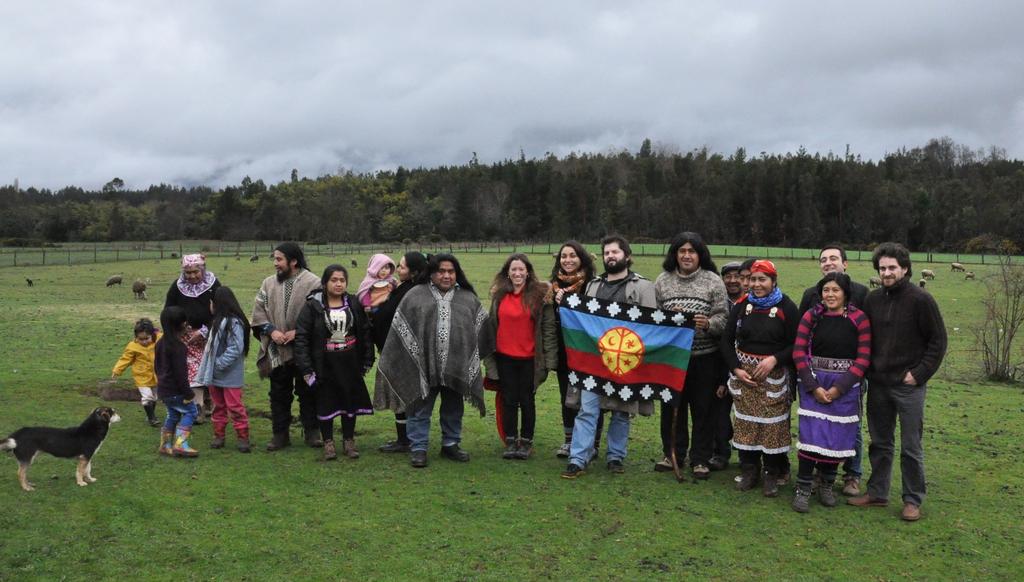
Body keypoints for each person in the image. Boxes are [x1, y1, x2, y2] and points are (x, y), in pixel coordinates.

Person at [849, 242, 947, 522]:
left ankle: (912, 499)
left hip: (908, 385)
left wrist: (919, 373)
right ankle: (877, 493)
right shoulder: (873, 300)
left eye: (892, 267)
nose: (887, 272)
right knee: (879, 442)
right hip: (878, 382)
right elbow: (863, 338)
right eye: (882, 268)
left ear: (905, 268)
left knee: (910, 445)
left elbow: (938, 341)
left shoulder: (921, 300)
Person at [375, 253, 494, 468]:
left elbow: (481, 329)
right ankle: (418, 447)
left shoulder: (467, 298)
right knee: (419, 408)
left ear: (457, 274)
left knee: (453, 407)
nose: (446, 276)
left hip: (456, 365)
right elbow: (401, 329)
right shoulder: (415, 296)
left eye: (451, 271)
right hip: (422, 366)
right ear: (431, 273)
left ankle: (451, 444)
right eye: (441, 271)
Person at [562, 235, 657, 478]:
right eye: (606, 253)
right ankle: (578, 458)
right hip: (595, 360)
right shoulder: (593, 285)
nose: (610, 257)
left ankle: (616, 457)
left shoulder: (643, 287)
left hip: (625, 361)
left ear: (627, 255)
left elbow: (650, 324)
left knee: (621, 412)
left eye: (615, 252)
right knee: (587, 408)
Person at [791, 273, 871, 512]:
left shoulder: (859, 319)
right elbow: (798, 352)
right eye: (826, 290)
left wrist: (839, 389)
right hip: (813, 383)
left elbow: (863, 357)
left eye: (835, 290)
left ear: (845, 293)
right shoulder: (811, 317)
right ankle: (803, 488)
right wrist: (813, 387)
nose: (830, 295)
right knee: (811, 437)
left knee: (836, 439)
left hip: (845, 387)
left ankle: (827, 483)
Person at [653, 232, 729, 479]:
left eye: (692, 251)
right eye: (682, 251)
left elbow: (723, 318)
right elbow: (652, 319)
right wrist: (668, 318)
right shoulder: (662, 281)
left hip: (705, 356)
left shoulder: (713, 281)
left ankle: (700, 459)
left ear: (700, 255)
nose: (686, 255)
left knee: (703, 409)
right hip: (672, 358)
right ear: (674, 254)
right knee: (671, 407)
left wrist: (707, 323)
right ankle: (672, 453)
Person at [720, 259, 799, 497]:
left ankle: (771, 474)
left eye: (762, 279)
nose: (756, 284)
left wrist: (775, 359)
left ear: (773, 281)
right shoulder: (742, 306)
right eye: (753, 279)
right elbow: (726, 340)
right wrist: (736, 369)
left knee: (772, 427)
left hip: (773, 376)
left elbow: (797, 343)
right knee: (746, 424)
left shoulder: (787, 307)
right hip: (745, 377)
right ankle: (749, 470)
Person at [294, 265, 375, 461]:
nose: (338, 284)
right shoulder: (313, 306)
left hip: (349, 363)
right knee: (326, 403)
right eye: (334, 280)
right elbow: (302, 338)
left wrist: (367, 358)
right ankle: (328, 442)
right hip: (324, 365)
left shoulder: (353, 303)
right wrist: (306, 369)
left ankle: (349, 440)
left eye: (342, 280)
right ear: (325, 282)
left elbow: (364, 331)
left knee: (349, 402)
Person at [485, 253, 557, 460]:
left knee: (526, 400)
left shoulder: (539, 296)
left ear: (528, 272)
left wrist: (549, 361)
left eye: (521, 269)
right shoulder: (499, 295)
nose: (517, 273)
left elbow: (548, 329)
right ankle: (510, 441)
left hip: (529, 359)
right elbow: (492, 324)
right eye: (513, 269)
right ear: (507, 272)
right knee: (508, 399)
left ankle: (525, 442)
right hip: (504, 357)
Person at [252, 242, 323, 451]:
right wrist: (271, 331)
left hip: (304, 350)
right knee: (278, 393)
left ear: (293, 261)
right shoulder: (268, 283)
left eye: (279, 259)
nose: (275, 264)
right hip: (276, 349)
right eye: (275, 259)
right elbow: (258, 311)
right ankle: (280, 434)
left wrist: (298, 332)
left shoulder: (313, 283)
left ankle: (312, 431)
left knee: (308, 391)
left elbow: (319, 313)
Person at [548, 241, 603, 458]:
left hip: (589, 351)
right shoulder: (553, 287)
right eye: (564, 256)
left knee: (591, 396)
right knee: (566, 396)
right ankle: (569, 440)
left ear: (582, 259)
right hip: (564, 350)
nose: (568, 260)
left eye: (573, 256)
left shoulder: (593, 285)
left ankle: (593, 442)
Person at [372, 251, 429, 453]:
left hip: (405, 354)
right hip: (392, 350)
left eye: (402, 267)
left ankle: (407, 440)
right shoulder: (404, 287)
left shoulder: (414, 292)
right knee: (399, 395)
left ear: (413, 272)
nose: (398, 269)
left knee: (404, 395)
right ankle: (404, 438)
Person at [194, 286, 252, 453]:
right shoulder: (217, 322)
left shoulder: (234, 323)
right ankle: (219, 435)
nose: (209, 306)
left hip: (229, 374)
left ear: (217, 303)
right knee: (218, 405)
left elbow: (236, 347)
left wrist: (218, 363)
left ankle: (243, 437)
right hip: (215, 374)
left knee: (235, 406)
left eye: (211, 302)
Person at [164, 253, 220, 422]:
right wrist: (177, 328)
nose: (192, 276)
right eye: (188, 273)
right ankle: (198, 409)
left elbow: (221, 311)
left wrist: (204, 331)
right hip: (185, 337)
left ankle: (210, 403)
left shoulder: (213, 285)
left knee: (210, 371)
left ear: (202, 269)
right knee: (191, 373)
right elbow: (168, 310)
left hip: (209, 335)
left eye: (196, 272)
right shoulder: (177, 287)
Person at [155, 306, 199, 458]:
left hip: (164, 389)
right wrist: (188, 393)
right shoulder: (179, 347)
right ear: (181, 325)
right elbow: (181, 373)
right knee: (191, 412)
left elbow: (157, 367)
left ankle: (165, 445)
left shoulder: (160, 343)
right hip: (176, 390)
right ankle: (181, 444)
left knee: (173, 415)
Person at [111, 318, 163, 426]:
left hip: (156, 375)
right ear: (136, 337)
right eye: (140, 339)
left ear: (152, 334)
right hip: (141, 376)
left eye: (146, 338)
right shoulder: (133, 346)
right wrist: (117, 370)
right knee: (147, 396)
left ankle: (150, 414)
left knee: (154, 396)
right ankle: (152, 418)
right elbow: (125, 359)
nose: (144, 342)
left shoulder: (159, 339)